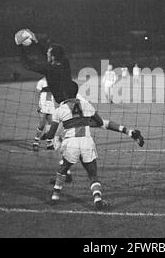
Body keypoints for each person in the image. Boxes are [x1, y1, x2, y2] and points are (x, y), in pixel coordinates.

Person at [49, 81, 144, 209]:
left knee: (61, 151)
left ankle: (57, 192)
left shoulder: (61, 105)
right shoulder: (83, 102)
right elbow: (100, 122)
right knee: (92, 173)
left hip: (69, 136)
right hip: (84, 139)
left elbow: (53, 133)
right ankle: (96, 197)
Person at [33, 76, 57, 151]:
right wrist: (38, 105)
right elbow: (37, 94)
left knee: (50, 123)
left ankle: (49, 144)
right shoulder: (41, 82)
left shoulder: (53, 80)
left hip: (51, 104)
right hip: (43, 104)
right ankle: (35, 143)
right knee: (42, 123)